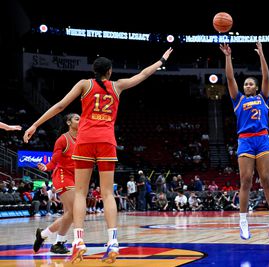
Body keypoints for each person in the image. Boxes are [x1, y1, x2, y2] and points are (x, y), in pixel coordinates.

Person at [23, 47, 173, 264]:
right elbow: (143, 74)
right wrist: (161, 60)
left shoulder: (84, 84)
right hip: (106, 141)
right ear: (110, 72)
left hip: (85, 140)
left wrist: (35, 125)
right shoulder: (118, 86)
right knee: (108, 194)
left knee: (81, 194)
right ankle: (113, 242)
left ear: (94, 71)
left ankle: (78, 242)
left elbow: (60, 105)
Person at [219, 42, 269, 240]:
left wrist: (262, 54)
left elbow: (267, 77)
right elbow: (229, 78)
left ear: (256, 87)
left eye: (250, 84)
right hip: (245, 140)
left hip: (262, 139)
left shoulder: (263, 98)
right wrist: (228, 56)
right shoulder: (238, 100)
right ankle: (243, 221)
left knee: (266, 180)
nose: (247, 86)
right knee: (245, 181)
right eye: (245, 84)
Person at [33, 113, 80, 254]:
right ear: (68, 122)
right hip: (62, 175)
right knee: (73, 212)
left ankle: (45, 236)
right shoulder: (62, 139)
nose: (80, 121)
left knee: (69, 214)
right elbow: (54, 161)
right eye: (77, 119)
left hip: (76, 177)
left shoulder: (82, 138)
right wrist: (46, 167)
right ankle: (56, 241)